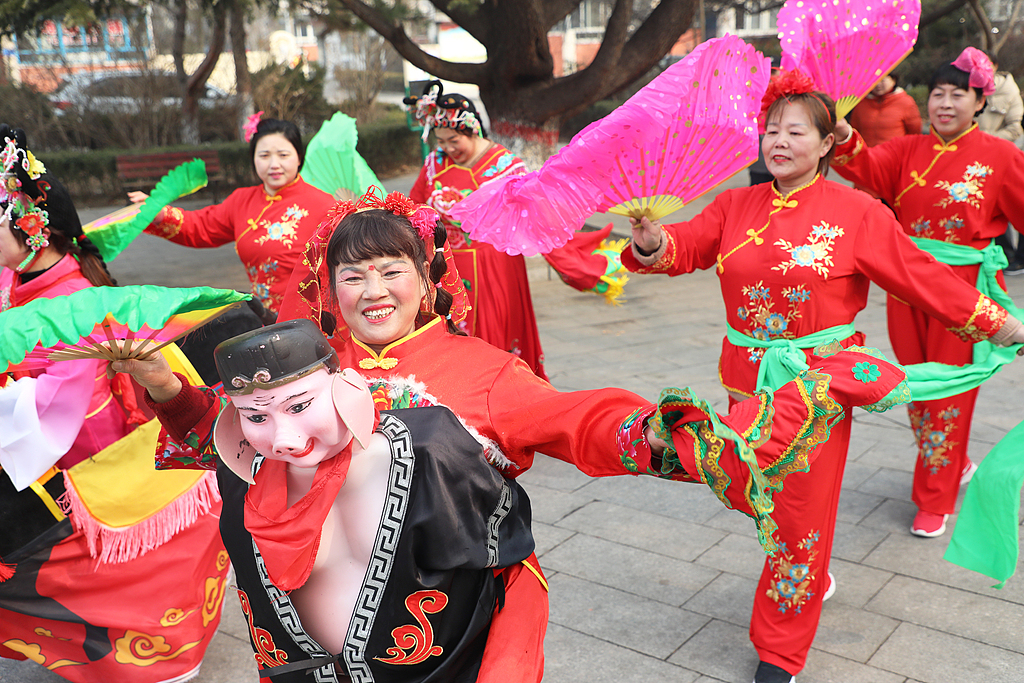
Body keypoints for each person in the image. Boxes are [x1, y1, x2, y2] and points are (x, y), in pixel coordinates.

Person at [116, 189, 911, 682]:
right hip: (331, 610)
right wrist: (167, 389)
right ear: (329, 289)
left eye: (392, 269)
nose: (372, 289)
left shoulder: (482, 370)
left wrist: (668, 434)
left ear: (427, 281)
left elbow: (579, 420)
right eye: (351, 275)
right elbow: (231, 452)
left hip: (467, 609)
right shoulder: (306, 372)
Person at [620, 69, 1024, 683]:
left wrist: (999, 322)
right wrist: (652, 242)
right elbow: (688, 246)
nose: (778, 142)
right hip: (745, 384)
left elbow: (919, 274)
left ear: (827, 141)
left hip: (817, 387)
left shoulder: (856, 212)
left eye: (794, 131)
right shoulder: (735, 203)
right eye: (770, 130)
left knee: (800, 514)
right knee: (753, 496)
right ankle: (807, 574)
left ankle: (780, 647)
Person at [0, 126, 226, 683]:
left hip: (81, 444)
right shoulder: (18, 275)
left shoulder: (72, 299)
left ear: (33, 228)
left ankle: (144, 654)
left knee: (106, 573)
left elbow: (56, 405)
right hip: (47, 440)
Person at [831, 47, 1024, 537]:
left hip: (965, 296)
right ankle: (951, 463)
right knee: (915, 387)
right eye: (938, 93)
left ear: (980, 102)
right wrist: (842, 133)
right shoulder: (907, 149)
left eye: (958, 94)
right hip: (906, 288)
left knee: (951, 395)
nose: (944, 103)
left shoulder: (1002, 157)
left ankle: (934, 498)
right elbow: (865, 168)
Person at [406, 82, 628, 379]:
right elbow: (413, 205)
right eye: (441, 141)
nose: (447, 148)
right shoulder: (435, 163)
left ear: (472, 130)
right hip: (448, 267)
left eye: (453, 140)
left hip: (495, 267)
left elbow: (537, 215)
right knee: (452, 342)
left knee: (494, 343)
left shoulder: (504, 166)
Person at [129, 116, 335, 320]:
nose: (274, 164)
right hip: (265, 320)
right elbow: (201, 226)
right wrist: (160, 213)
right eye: (264, 155)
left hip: (313, 322)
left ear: (299, 157)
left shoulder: (325, 205)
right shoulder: (241, 201)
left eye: (283, 155)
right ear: (253, 158)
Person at [976, 51, 1024, 274]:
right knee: (986, 206)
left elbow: (1015, 127)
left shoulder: (1009, 91)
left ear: (994, 65)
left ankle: (1019, 257)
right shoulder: (968, 89)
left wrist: (985, 141)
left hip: (1005, 156)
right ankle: (1006, 253)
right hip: (975, 159)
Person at [847, 72, 922, 148]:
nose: (878, 84)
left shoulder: (905, 102)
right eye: (873, 81)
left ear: (893, 80)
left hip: (896, 155)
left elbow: (914, 132)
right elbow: (855, 131)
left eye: (882, 80)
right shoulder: (861, 103)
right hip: (867, 155)